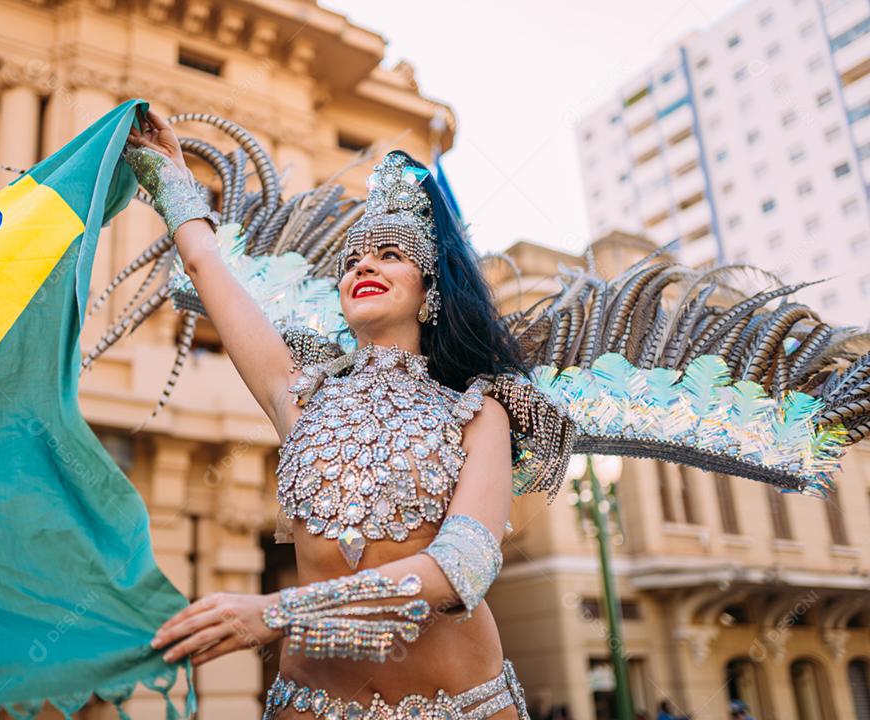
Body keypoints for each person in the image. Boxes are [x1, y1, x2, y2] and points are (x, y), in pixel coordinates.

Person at [121, 109, 573, 720]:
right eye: (354, 260)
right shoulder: (299, 393)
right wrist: (173, 177)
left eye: (390, 255)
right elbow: (206, 268)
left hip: (462, 706)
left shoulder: (478, 410)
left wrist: (275, 614)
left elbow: (459, 570)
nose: (364, 265)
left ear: (430, 289)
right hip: (311, 704)